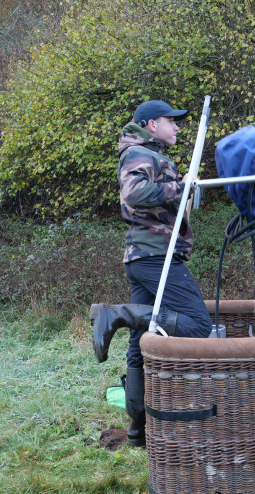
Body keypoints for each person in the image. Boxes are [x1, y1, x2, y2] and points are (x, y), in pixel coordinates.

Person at [91, 99, 212, 448]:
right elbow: (135, 192)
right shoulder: (140, 154)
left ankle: (138, 429)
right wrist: (181, 186)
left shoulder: (149, 153)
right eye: (169, 120)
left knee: (138, 345)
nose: (176, 126)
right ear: (150, 124)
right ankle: (117, 314)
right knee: (200, 326)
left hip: (142, 256)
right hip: (154, 255)